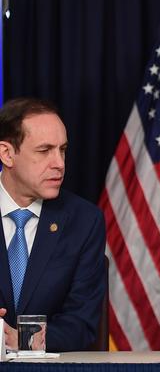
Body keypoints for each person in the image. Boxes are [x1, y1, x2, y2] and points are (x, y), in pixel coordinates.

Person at [0, 98, 106, 352]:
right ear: (7, 154)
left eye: (63, 150)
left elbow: (81, 323)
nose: (59, 163)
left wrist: (15, 339)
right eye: (44, 150)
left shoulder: (84, 220)